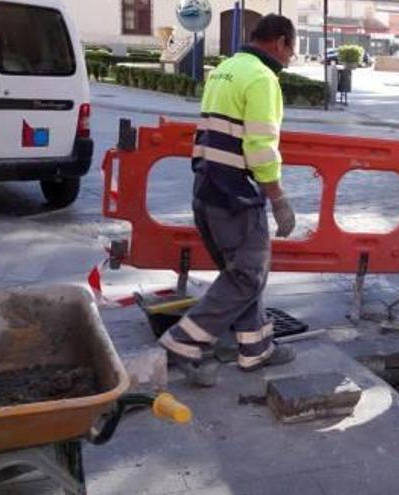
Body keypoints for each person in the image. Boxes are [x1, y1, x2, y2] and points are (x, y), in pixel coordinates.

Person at [158, 14, 298, 387]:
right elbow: (260, 147)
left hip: (207, 189)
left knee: (243, 275)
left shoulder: (226, 68)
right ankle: (182, 342)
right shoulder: (262, 78)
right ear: (280, 42)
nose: (290, 59)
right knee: (248, 275)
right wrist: (279, 198)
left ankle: (256, 350)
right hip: (235, 195)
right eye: (292, 50)